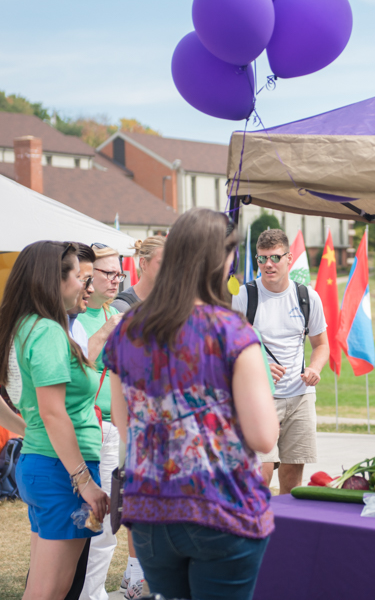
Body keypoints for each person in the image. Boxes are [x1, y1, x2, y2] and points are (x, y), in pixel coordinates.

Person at [106, 207, 278, 600]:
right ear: (223, 259)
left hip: (150, 512)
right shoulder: (231, 330)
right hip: (220, 506)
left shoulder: (127, 329)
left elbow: (123, 421)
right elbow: (264, 436)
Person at [0, 241, 108, 600]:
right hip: (61, 472)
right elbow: (52, 410)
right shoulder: (45, 331)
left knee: (44, 586)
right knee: (50, 590)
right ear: (53, 281)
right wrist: (84, 481)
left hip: (47, 465)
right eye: (78, 276)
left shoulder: (24, 326)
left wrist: (25, 428)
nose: (83, 284)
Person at [231, 228, 328, 493]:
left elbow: (321, 345)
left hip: (301, 396)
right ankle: (254, 528)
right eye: (261, 259)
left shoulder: (308, 297)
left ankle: (285, 532)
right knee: (260, 473)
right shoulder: (243, 296)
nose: (268, 265)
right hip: (258, 398)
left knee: (293, 478)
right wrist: (258, 367)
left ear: (289, 258)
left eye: (274, 257)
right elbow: (225, 349)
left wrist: (315, 368)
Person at [76, 244, 124, 600]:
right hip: (85, 428)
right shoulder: (73, 318)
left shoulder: (113, 310)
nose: (114, 281)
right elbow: (80, 362)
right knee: (78, 519)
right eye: (108, 274)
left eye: (119, 274)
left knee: (108, 519)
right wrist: (110, 327)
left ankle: (94, 591)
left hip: (112, 428)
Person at [111, 236, 165, 313]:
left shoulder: (171, 302)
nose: (168, 268)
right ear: (143, 263)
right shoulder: (122, 306)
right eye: (162, 263)